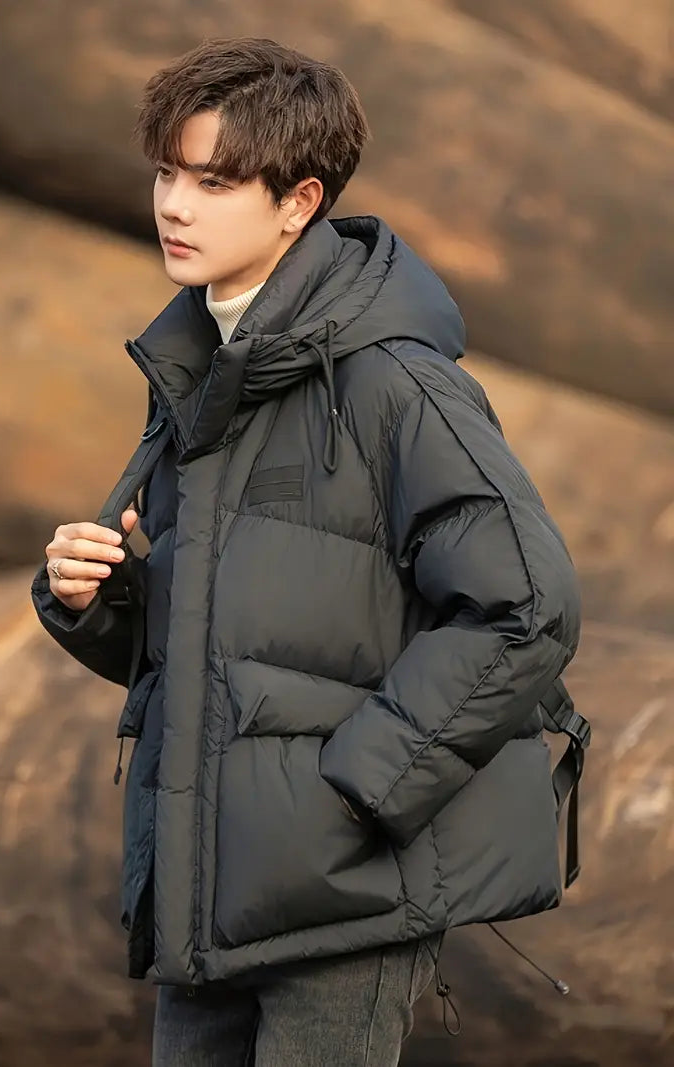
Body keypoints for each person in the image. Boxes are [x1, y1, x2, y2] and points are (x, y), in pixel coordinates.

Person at [31, 37, 581, 1067]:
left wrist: (361, 787)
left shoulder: (395, 382)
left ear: (299, 202)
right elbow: (239, 647)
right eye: (165, 173)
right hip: (207, 895)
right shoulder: (205, 369)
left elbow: (528, 606)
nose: (174, 205)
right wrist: (97, 598)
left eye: (213, 181)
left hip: (342, 903)